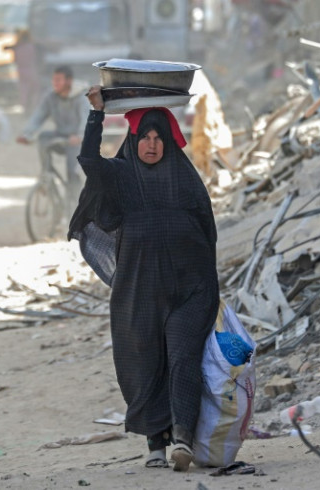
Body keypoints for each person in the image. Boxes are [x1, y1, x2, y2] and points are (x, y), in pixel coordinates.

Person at [68, 86, 219, 472]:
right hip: (140, 290)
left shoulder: (183, 177)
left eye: (159, 137)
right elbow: (89, 159)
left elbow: (207, 230)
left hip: (190, 288)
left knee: (184, 358)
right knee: (146, 359)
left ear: (168, 141)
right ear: (133, 139)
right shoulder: (120, 176)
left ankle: (183, 435)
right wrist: (97, 114)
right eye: (145, 137)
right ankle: (156, 440)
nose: (152, 144)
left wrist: (207, 283)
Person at [17, 65, 89, 208]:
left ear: (69, 81)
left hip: (77, 141)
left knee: (72, 172)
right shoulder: (50, 97)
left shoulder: (81, 98)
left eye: (58, 80)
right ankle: (46, 178)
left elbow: (86, 119)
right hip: (61, 136)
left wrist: (80, 135)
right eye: (53, 80)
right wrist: (27, 134)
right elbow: (38, 116)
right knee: (43, 137)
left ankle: (75, 205)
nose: (54, 83)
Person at [4, 29, 40, 114]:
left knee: (24, 90)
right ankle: (32, 107)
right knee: (34, 89)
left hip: (21, 70)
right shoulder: (31, 46)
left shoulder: (18, 47)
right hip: (30, 69)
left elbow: (7, 49)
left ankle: (25, 107)